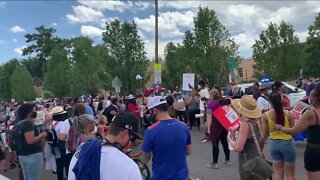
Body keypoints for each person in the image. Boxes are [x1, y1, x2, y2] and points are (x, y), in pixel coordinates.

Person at [68, 112, 142, 180]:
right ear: (125, 134)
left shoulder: (81, 150)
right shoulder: (131, 167)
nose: (132, 143)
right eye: (132, 138)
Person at [141, 96, 192, 180]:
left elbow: (144, 160)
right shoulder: (183, 126)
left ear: (155, 110)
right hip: (182, 175)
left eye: (150, 111)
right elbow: (189, 151)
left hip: (161, 176)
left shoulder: (150, 130)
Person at [276, 85, 320, 180]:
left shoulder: (311, 114)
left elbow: (293, 131)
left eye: (310, 96)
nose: (308, 98)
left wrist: (281, 128)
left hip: (314, 152)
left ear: (315, 99)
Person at [227, 96, 265, 180]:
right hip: (257, 160)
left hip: (248, 161)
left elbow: (238, 148)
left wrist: (230, 139)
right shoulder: (257, 121)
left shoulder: (245, 125)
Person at [261, 93, 296, 180]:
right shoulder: (288, 114)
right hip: (287, 144)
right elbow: (293, 132)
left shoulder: (265, 116)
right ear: (281, 100)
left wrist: (260, 148)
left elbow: (263, 134)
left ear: (269, 101)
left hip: (273, 144)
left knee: (278, 174)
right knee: (290, 174)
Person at [17, 103, 47, 180]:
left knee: (27, 177)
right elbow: (30, 141)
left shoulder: (20, 123)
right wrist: (42, 135)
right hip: (32, 155)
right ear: (29, 113)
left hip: (23, 154)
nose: (35, 111)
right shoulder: (28, 123)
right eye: (33, 110)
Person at [206, 89, 231, 169]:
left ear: (211, 95)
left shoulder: (210, 104)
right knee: (225, 143)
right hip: (223, 125)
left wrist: (209, 128)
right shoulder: (223, 102)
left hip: (215, 125)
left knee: (215, 144)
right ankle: (227, 159)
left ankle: (215, 163)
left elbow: (209, 117)